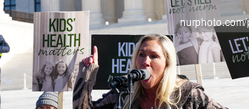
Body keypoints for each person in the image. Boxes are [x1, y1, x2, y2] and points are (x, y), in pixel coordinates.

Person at [73, 34, 227, 109]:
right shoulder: (123, 94)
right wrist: (87, 74)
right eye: (141, 55)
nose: (145, 62)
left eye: (154, 56)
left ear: (167, 63)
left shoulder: (188, 94)